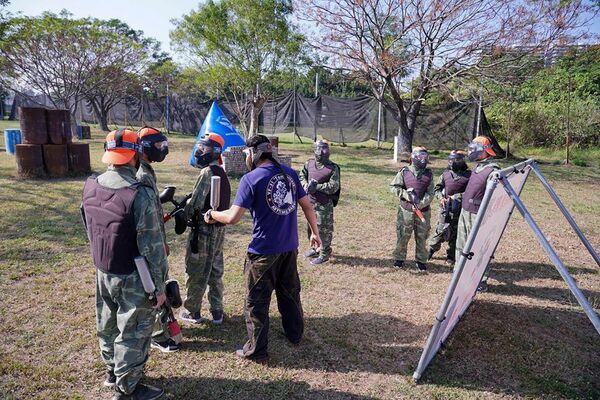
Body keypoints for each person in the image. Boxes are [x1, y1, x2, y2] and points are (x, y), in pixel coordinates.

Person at [205, 134, 321, 363]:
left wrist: (211, 215)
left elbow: (233, 217)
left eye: (247, 153)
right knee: (290, 293)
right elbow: (307, 205)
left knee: (256, 302)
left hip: (263, 253)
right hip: (289, 249)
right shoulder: (289, 173)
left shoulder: (251, 179)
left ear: (253, 154)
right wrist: (315, 233)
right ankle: (294, 334)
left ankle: (256, 351)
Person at [81, 129, 166, 400]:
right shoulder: (138, 193)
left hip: (103, 269)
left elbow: (90, 227)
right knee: (133, 329)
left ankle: (112, 371)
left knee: (107, 323)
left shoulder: (91, 184)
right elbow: (152, 246)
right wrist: (160, 287)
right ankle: (127, 387)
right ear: (135, 154)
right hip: (134, 274)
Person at [179, 133, 231, 326]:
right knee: (215, 270)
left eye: (205, 148)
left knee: (196, 270)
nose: (201, 152)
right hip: (219, 231)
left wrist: (183, 214)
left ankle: (192, 312)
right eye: (200, 148)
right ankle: (217, 312)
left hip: (204, 232)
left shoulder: (207, 172)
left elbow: (196, 204)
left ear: (215, 151)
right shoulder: (222, 172)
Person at [135, 126, 179, 353]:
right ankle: (159, 335)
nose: (163, 151)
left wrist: (162, 240)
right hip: (148, 243)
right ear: (143, 148)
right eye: (159, 146)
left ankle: (162, 330)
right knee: (154, 289)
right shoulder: (141, 174)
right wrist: (157, 243)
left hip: (156, 241)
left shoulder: (146, 170)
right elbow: (145, 220)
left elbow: (153, 211)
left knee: (159, 285)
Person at [455, 136, 500, 291]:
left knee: (479, 248)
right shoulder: (478, 167)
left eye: (474, 148)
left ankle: (481, 280)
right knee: (461, 245)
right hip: (466, 212)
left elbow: (494, 197)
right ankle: (459, 274)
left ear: (484, 151)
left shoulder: (493, 171)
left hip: (479, 216)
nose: (471, 151)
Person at [390, 147, 434, 272]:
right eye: (421, 157)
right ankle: (399, 258)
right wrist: (406, 195)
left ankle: (421, 261)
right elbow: (394, 187)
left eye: (425, 157)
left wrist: (420, 203)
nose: (423, 159)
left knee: (422, 236)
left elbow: (431, 193)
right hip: (406, 211)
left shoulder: (429, 174)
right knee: (403, 235)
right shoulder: (405, 172)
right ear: (414, 157)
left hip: (423, 211)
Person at [299, 139, 340, 265]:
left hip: (324, 205)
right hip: (310, 203)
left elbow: (334, 186)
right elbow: (301, 176)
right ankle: (315, 248)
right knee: (310, 228)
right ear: (314, 150)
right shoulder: (309, 164)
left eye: (325, 148)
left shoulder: (332, 168)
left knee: (324, 229)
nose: (322, 151)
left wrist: (316, 187)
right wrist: (305, 185)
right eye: (320, 148)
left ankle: (324, 253)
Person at [427, 150, 471, 266]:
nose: (452, 162)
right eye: (450, 160)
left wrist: (457, 196)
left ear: (461, 161)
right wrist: (441, 197)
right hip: (445, 208)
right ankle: (430, 250)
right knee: (441, 231)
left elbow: (472, 192)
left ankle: (451, 256)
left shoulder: (469, 175)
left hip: (461, 209)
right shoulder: (445, 174)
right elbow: (436, 189)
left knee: (456, 233)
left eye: (455, 160)